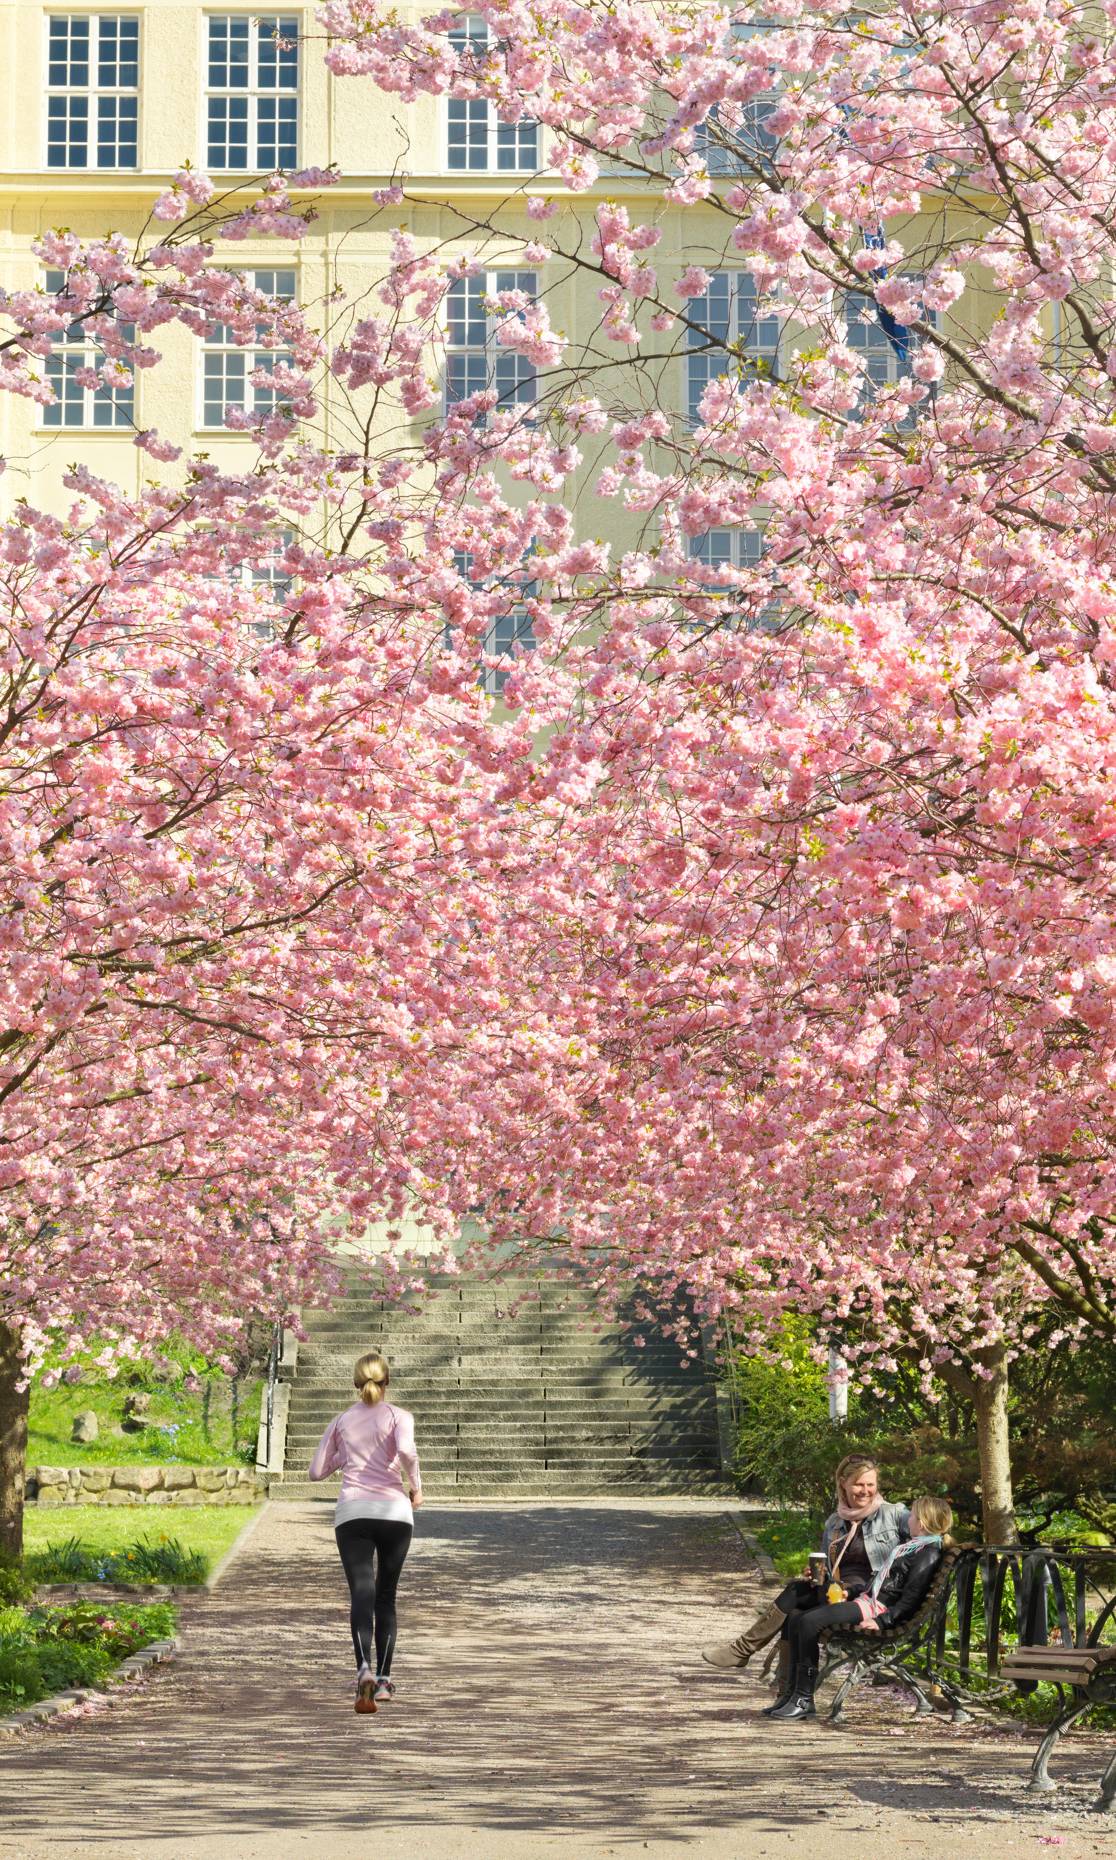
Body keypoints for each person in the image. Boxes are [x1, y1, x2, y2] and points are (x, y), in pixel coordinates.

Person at [703, 1453, 909, 1687]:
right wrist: (815, 1575)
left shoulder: (894, 1514)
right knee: (797, 1600)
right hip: (839, 1592)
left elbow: (925, 1534)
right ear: (843, 1483)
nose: (865, 1490)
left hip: (870, 1598)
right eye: (858, 1484)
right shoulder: (834, 1521)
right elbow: (829, 1571)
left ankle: (746, 1653)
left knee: (795, 1600)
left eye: (870, 1484)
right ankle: (787, 1685)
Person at [765, 1493, 955, 1721]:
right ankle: (791, 1694)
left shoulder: (927, 1554)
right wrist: (852, 1591)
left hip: (877, 1611)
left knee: (808, 1621)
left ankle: (804, 1699)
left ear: (921, 1523)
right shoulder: (912, 1548)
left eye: (912, 1516)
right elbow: (882, 1582)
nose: (909, 1520)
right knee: (796, 1616)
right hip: (868, 1602)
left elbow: (910, 1599)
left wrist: (880, 1622)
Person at [308, 1350, 423, 1715]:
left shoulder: (341, 1421)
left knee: (361, 1591)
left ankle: (363, 1670)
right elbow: (406, 1451)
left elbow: (316, 1472)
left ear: (356, 1383)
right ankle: (385, 1682)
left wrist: (346, 1457)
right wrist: (416, 1487)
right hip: (393, 1512)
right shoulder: (399, 1416)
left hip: (353, 1513)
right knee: (385, 1596)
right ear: (387, 1381)